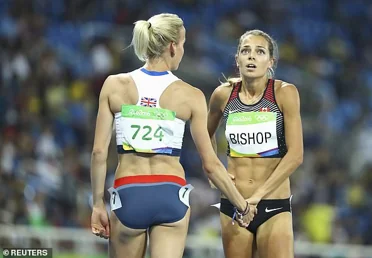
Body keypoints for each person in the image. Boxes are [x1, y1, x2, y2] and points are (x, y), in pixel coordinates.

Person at [90, 13, 256, 258]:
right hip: (170, 194)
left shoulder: (115, 85)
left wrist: (96, 204)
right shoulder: (190, 95)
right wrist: (242, 205)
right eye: (183, 44)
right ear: (172, 46)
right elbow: (210, 165)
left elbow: (98, 152)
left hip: (129, 193)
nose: (183, 50)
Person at [207, 29, 303, 258]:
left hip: (272, 204)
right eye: (245, 51)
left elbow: (296, 155)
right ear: (237, 59)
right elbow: (204, 134)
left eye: (259, 52)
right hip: (234, 203)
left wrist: (257, 196)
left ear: (271, 61)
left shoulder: (284, 93)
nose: (251, 57)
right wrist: (215, 173)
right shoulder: (223, 95)